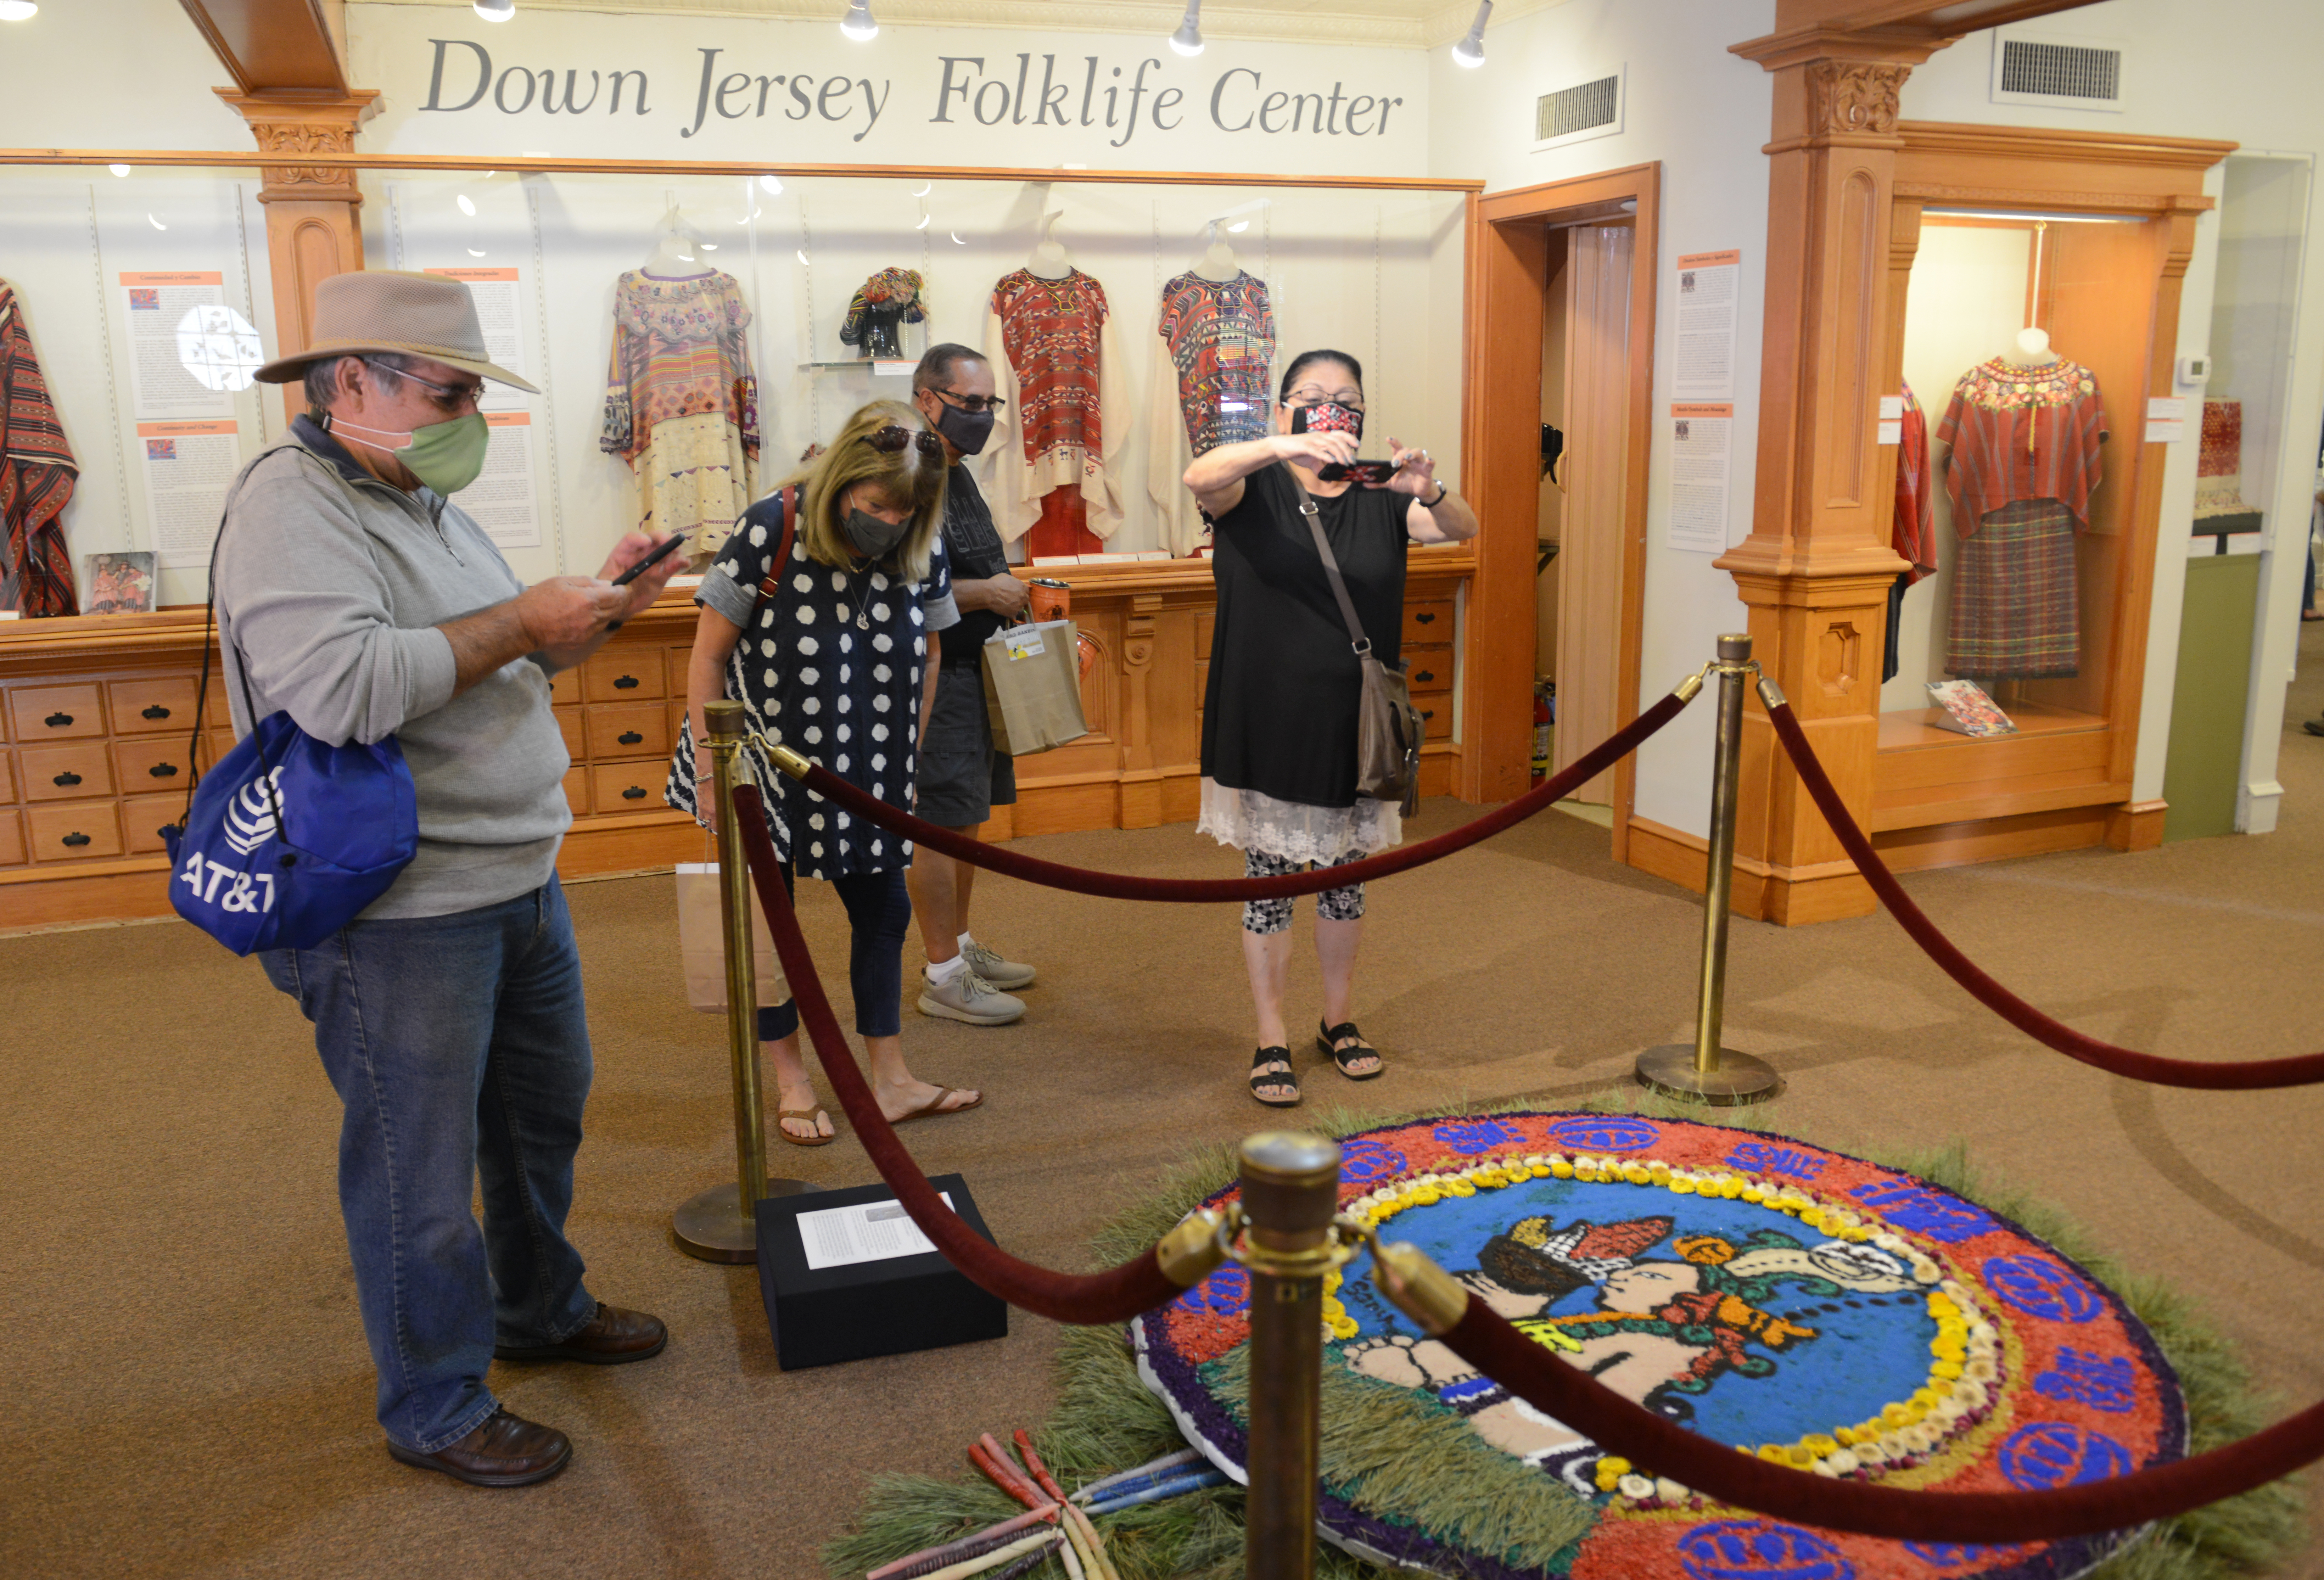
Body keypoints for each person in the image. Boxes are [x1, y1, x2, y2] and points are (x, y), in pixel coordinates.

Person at [221, 271, 684, 1489]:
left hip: (512, 873)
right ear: (353, 383)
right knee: (415, 1171)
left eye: (473, 391)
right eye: (450, 389)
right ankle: (432, 1397)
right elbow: (345, 690)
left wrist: (593, 609)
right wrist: (527, 621)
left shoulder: (418, 495)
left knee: (539, 1115)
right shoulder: (292, 502)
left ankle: (538, 1305)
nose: (468, 413)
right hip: (402, 908)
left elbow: (474, 660)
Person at [668, 399, 983, 1145]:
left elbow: (933, 651)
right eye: (876, 506)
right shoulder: (771, 527)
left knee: (884, 914)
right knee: (772, 931)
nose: (889, 523)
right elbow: (708, 655)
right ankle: (793, 1079)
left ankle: (891, 1078)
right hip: (760, 762)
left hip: (869, 758)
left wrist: (906, 756)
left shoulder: (921, 540)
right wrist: (715, 777)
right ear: (842, 480)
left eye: (905, 513)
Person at [1184, 349, 1479, 1106]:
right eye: (1310, 396)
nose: (1329, 407)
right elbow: (1200, 477)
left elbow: (1461, 528)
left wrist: (1429, 487)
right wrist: (1283, 447)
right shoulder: (1252, 487)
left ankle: (1338, 1021)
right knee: (1271, 885)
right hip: (1268, 716)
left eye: (1344, 397)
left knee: (1347, 884)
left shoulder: (1383, 495)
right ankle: (1270, 1035)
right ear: (1283, 409)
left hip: (1359, 725)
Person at [904, 343, 1037, 1025]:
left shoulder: (953, 469)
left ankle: (956, 945)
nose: (983, 418)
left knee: (966, 817)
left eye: (990, 405)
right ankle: (943, 974)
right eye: (971, 404)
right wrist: (984, 591)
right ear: (928, 400)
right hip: (937, 675)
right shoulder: (906, 472)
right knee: (936, 823)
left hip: (978, 669)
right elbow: (892, 586)